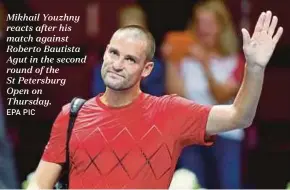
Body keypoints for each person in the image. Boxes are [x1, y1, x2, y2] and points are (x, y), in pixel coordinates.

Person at [27, 11, 283, 189]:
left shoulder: (169, 111)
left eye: (130, 59)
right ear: (104, 53)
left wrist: (255, 68)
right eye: (113, 53)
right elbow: (40, 183)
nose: (117, 64)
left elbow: (240, 116)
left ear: (147, 69)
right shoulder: (72, 114)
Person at [164, 0, 245, 188]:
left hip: (226, 135)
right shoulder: (185, 60)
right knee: (194, 184)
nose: (203, 30)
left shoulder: (234, 61)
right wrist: (171, 61)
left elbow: (221, 96)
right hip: (192, 135)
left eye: (209, 24)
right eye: (200, 23)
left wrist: (205, 64)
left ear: (221, 26)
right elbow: (176, 96)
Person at [92, 4, 166, 97]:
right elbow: (98, 95)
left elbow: (156, 96)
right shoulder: (103, 67)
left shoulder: (156, 67)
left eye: (138, 34)